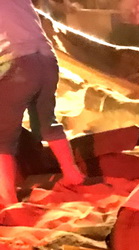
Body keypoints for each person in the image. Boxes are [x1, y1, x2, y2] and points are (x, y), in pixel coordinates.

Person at [1, 0, 86, 207]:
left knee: (3, 138)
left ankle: (7, 197)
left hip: (19, 64)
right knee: (47, 121)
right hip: (48, 60)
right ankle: (72, 173)